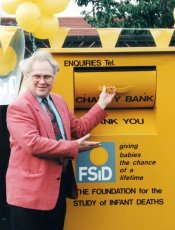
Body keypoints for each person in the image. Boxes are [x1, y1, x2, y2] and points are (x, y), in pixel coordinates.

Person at [6, 50, 116, 230]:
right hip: (28, 196)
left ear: (55, 77)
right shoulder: (18, 107)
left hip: (56, 189)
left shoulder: (58, 101)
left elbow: (78, 129)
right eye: (37, 76)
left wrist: (101, 104)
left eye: (47, 76)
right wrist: (73, 147)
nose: (42, 81)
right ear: (26, 76)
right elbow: (32, 144)